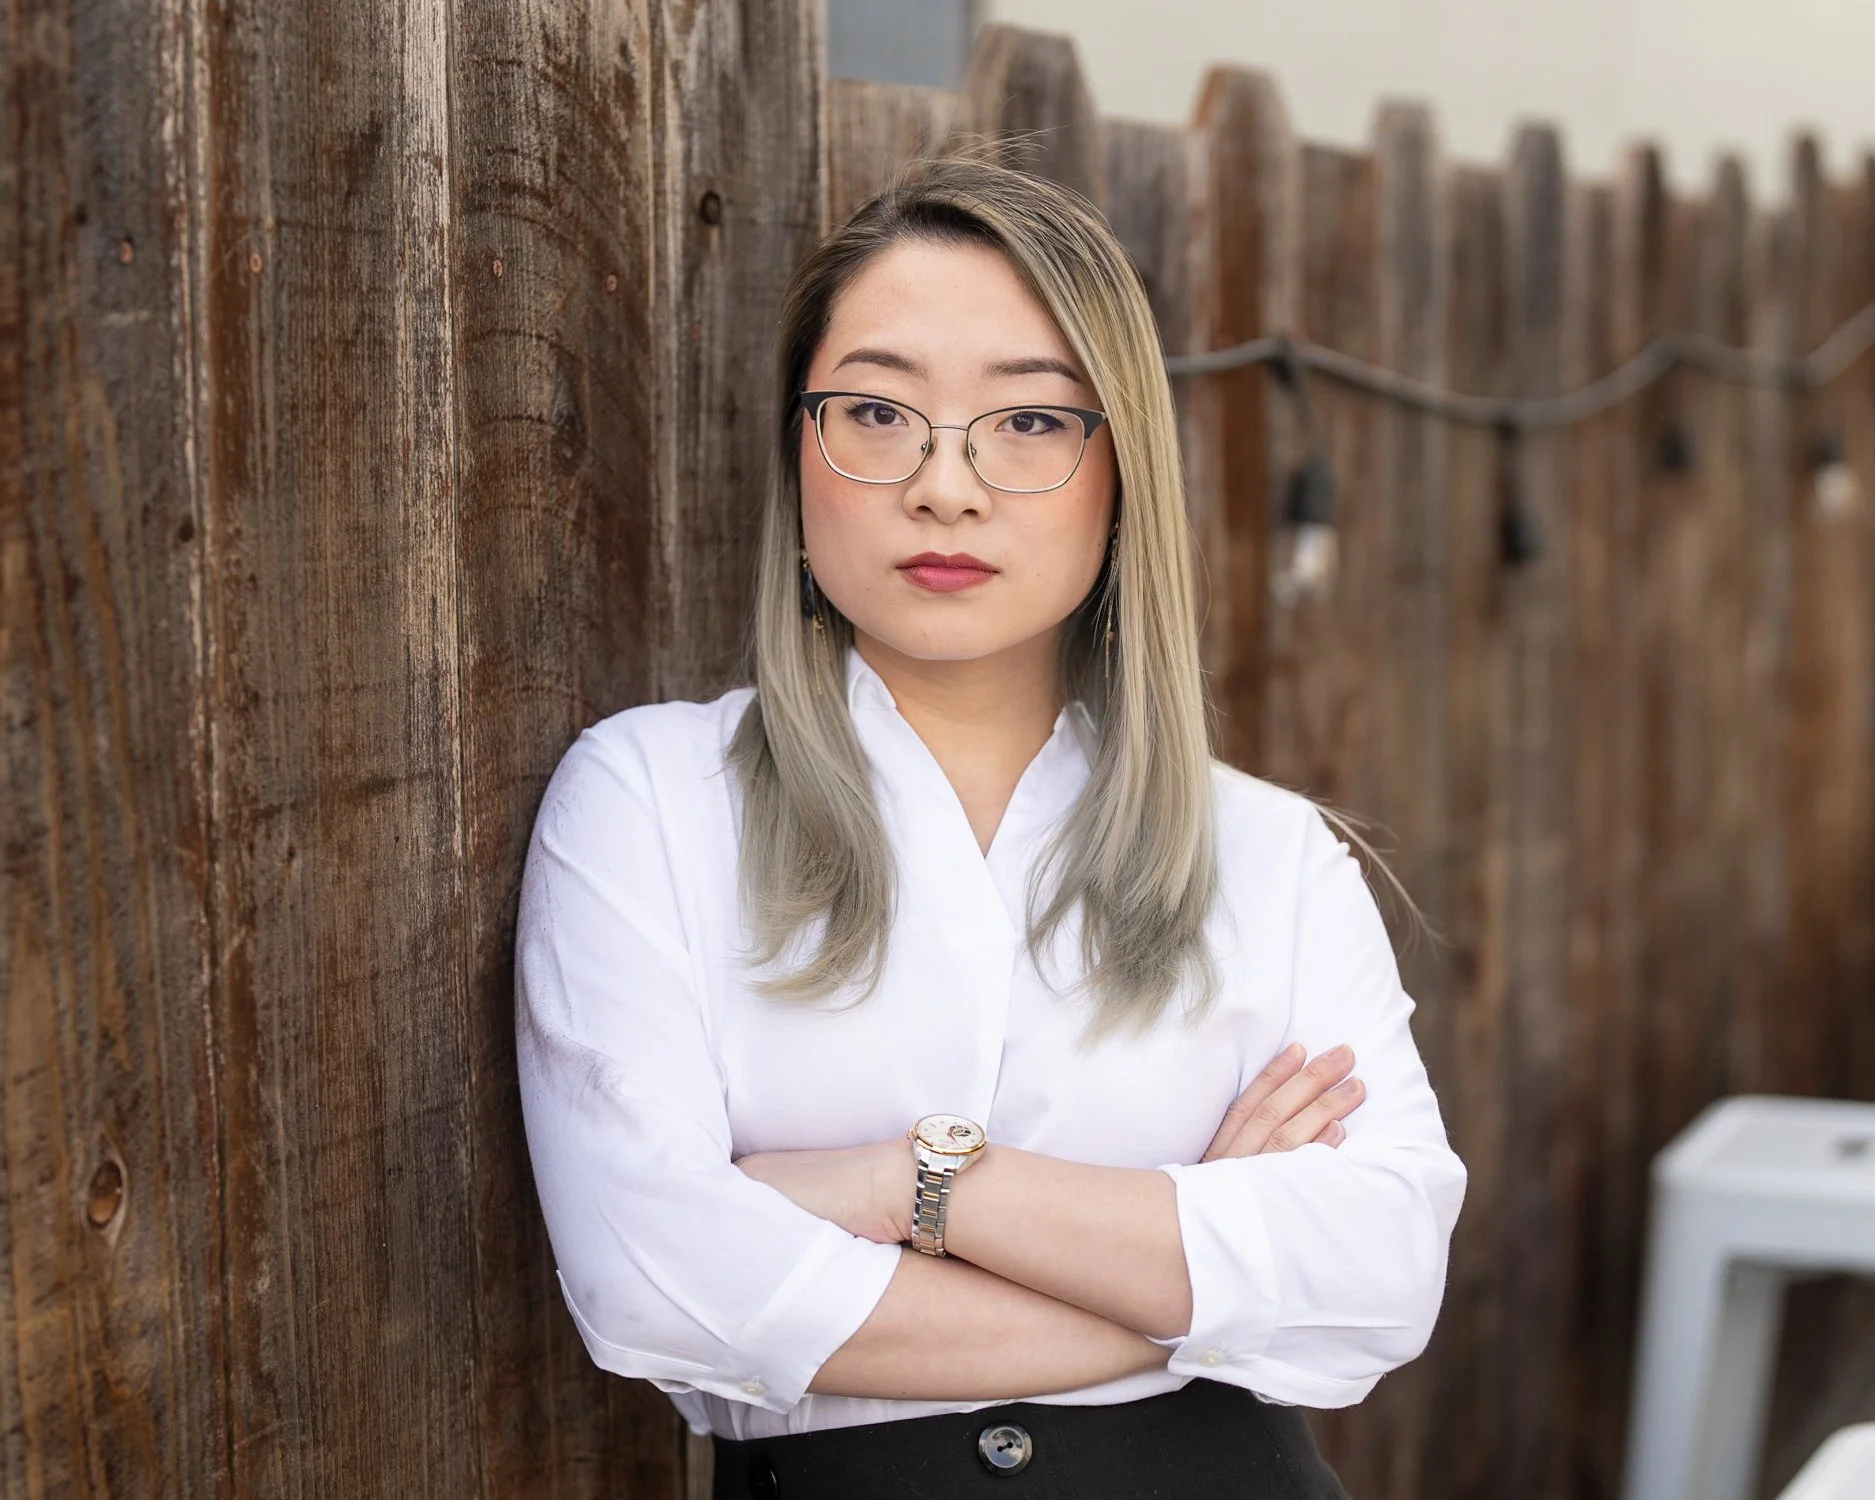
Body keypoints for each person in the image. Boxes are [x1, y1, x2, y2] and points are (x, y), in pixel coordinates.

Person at [515, 154, 1467, 1499]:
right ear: (801, 459)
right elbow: (652, 1279)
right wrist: (1188, 1275)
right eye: (876, 412)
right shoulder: (652, 800)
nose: (944, 486)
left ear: (1117, 474)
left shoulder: (1268, 856)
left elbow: (1376, 1275)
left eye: (1027, 424)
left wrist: (913, 1186)